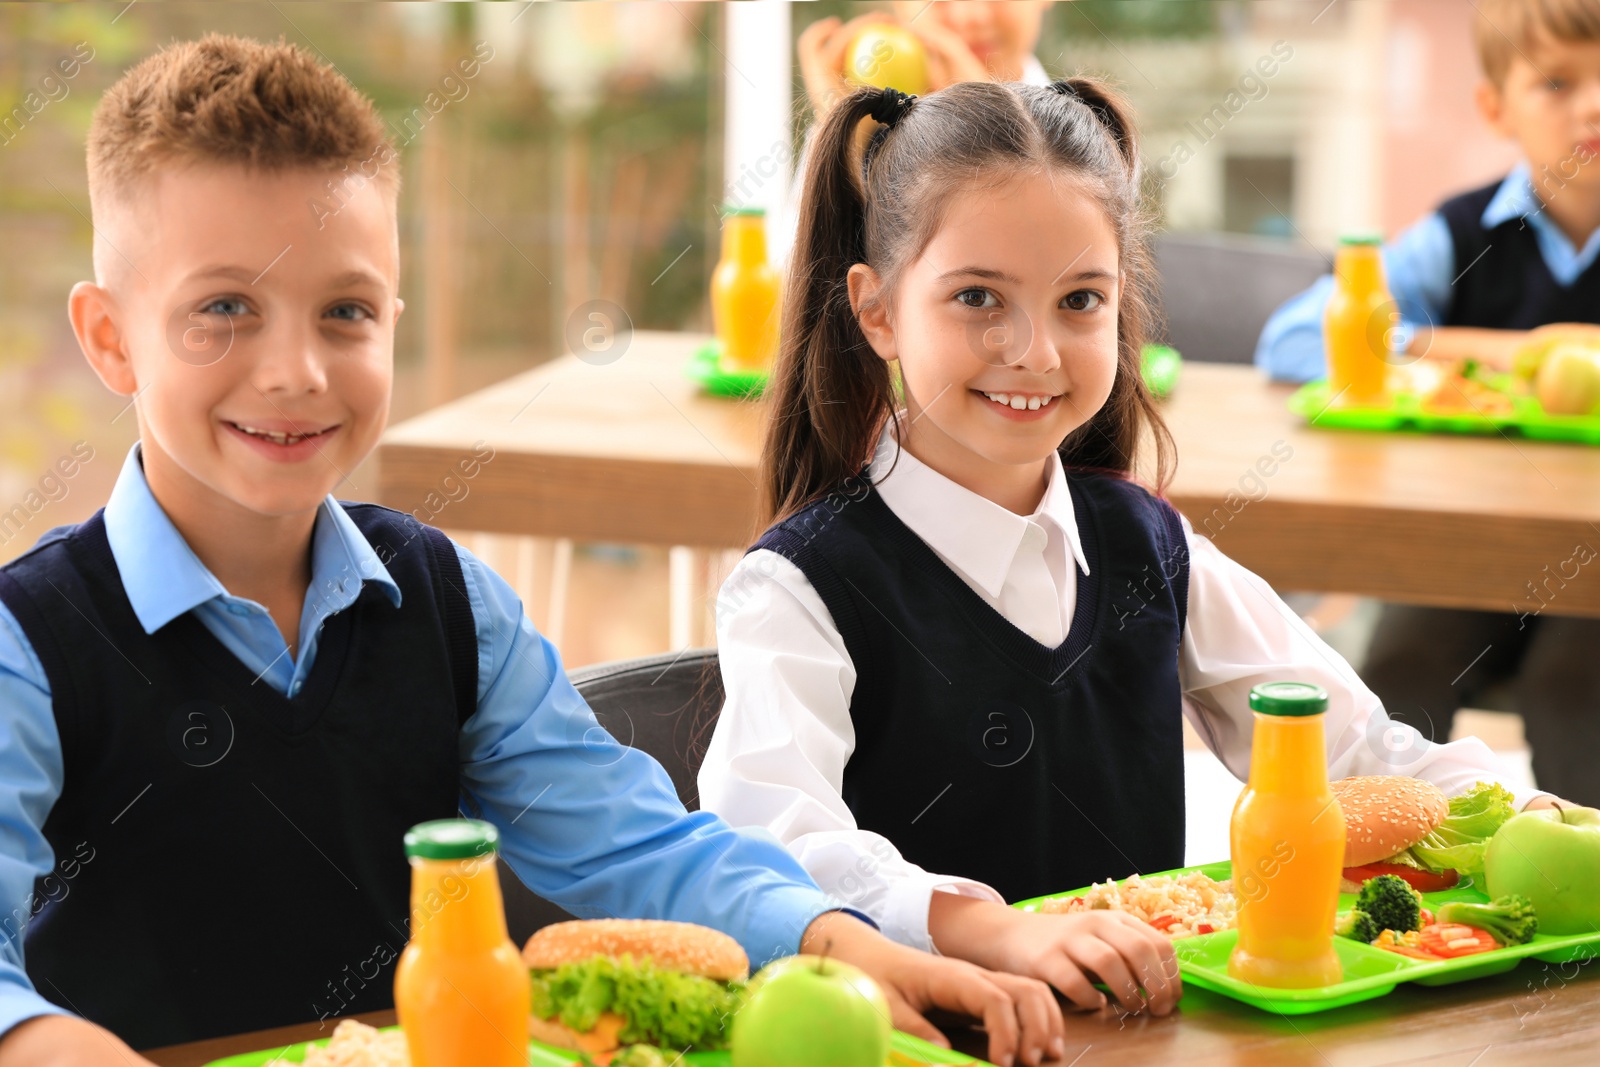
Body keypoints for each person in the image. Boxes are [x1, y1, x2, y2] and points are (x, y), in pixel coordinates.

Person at [0, 35, 1067, 1067]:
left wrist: (859, 949)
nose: (295, 371)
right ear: (109, 338)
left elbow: (636, 847)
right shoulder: (31, 642)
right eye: (223, 307)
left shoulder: (444, 599)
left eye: (345, 311)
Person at [697, 74, 1572, 1022]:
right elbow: (768, 840)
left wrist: (1528, 814)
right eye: (979, 298)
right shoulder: (799, 585)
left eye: (1081, 301)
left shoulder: (1148, 543)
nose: (1034, 350)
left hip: (1142, 1037)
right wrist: (994, 930)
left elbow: (1351, 746)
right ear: (877, 312)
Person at [1253, 0, 1600, 805]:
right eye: (1557, 82)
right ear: (1495, 107)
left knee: (1574, 693)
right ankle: (1394, 893)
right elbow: (1295, 337)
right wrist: (1501, 350)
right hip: (1461, 560)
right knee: (1391, 680)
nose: (1593, 105)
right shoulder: (1461, 233)